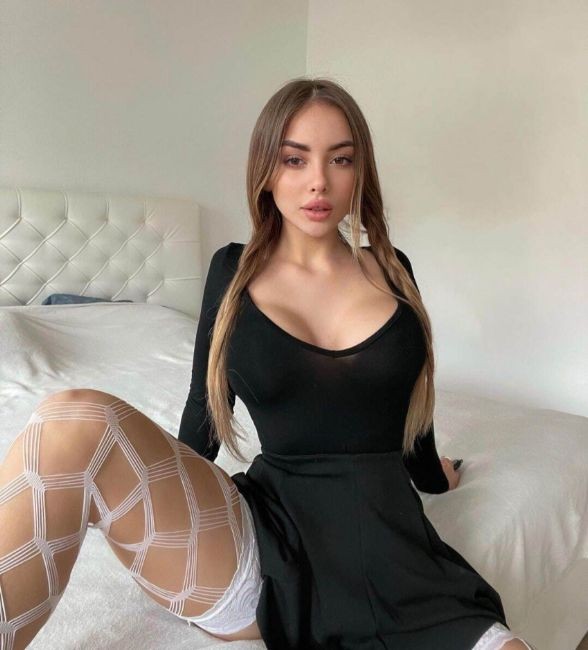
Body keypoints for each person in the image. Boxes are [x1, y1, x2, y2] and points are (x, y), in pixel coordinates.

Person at [0, 77, 536, 650]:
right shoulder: (233, 274)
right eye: (294, 159)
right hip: (264, 546)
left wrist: (434, 476)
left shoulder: (392, 269)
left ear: (360, 171)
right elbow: (204, 414)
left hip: (392, 551)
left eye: (341, 159)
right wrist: (162, 495)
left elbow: (410, 404)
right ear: (266, 170)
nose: (318, 181)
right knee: (74, 419)